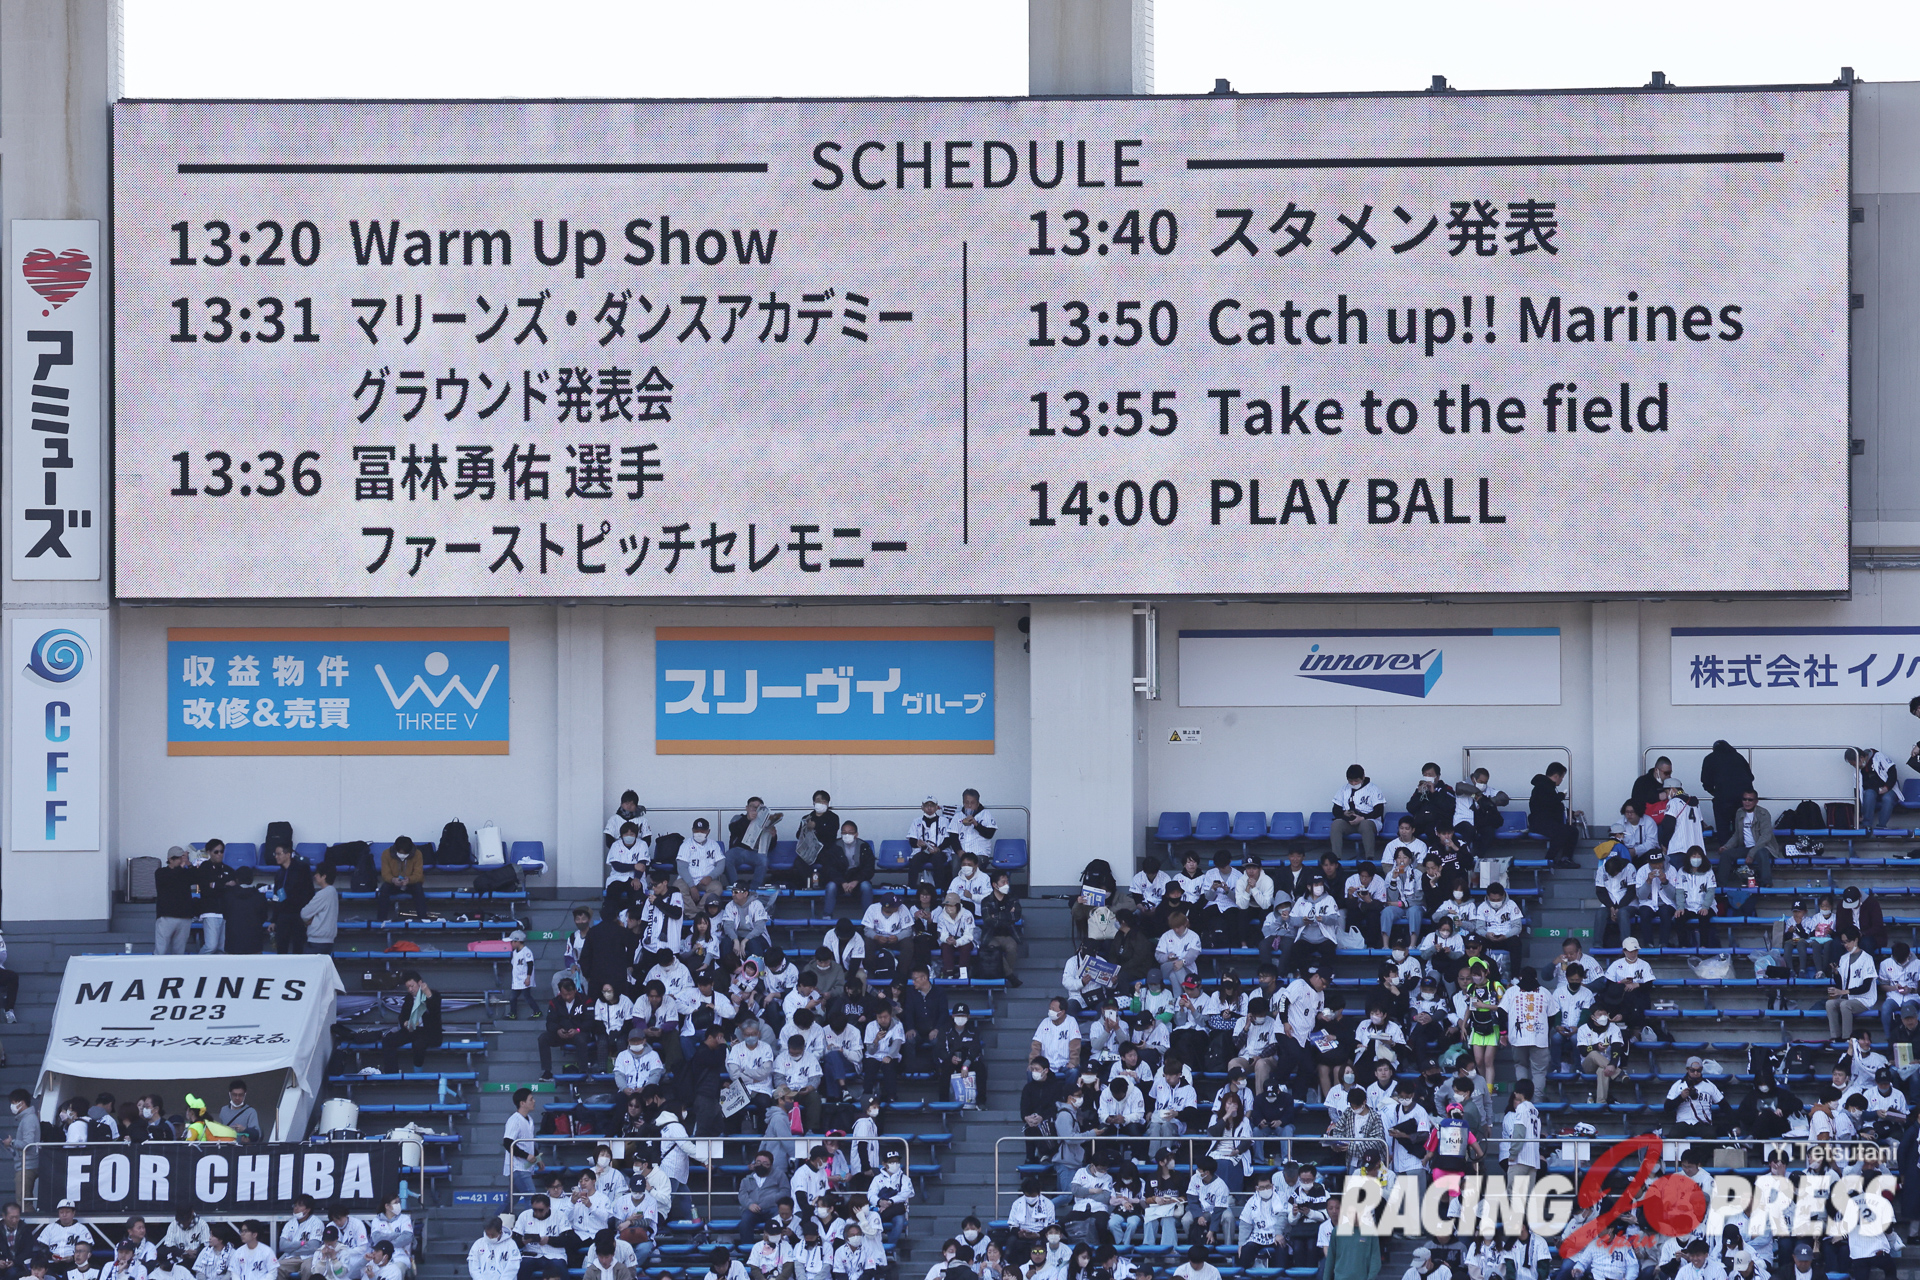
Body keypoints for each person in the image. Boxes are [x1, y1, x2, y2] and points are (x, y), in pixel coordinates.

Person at [382, 972, 441, 1074]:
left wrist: (428, 993)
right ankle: (391, 1073)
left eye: (412, 986)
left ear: (420, 983)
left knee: (418, 1045)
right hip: (412, 1030)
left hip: (428, 1032)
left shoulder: (434, 995)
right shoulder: (409, 998)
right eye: (408, 987)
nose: (410, 989)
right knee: (388, 1041)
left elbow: (435, 1010)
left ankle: (417, 1074)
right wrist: (405, 1023)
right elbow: (402, 1016)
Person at [1718, 790, 1778, 887]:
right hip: (1746, 848)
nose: (1747, 802)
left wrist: (1751, 854)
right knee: (1726, 854)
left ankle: (1766, 884)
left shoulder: (1763, 813)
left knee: (1761, 853)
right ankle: (1721, 887)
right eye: (1744, 799)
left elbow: (1765, 837)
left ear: (1756, 801)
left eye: (1750, 800)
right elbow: (1737, 834)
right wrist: (1726, 846)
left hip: (1764, 847)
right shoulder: (1739, 812)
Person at [1830, 928, 1880, 1043]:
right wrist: (1836, 973)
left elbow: (1866, 987)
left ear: (1856, 940)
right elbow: (1840, 984)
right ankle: (1835, 1036)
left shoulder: (1867, 959)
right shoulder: (1844, 958)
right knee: (1830, 1004)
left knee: (1845, 1005)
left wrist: (1843, 992)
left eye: (1848, 941)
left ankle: (1846, 1037)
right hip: (1848, 997)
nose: (1846, 945)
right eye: (1843, 942)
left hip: (1864, 999)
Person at [1527, 764, 1581, 869]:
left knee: (1572, 831)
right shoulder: (1542, 788)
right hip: (1540, 822)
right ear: (1556, 776)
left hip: (1547, 822)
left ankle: (1565, 858)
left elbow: (1556, 806)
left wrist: (1572, 813)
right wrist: (1560, 796)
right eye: (1561, 777)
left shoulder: (1548, 787)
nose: (1561, 780)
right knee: (1563, 832)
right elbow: (1549, 803)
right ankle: (1549, 859)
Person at [1701, 741, 1757, 838]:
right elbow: (1750, 777)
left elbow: (1706, 781)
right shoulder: (1738, 757)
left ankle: (1725, 846)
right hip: (1741, 798)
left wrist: (1715, 792)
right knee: (1740, 827)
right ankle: (1740, 845)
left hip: (1722, 798)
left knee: (1723, 828)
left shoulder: (1710, 758)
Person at [1330, 765, 1386, 863]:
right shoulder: (1344, 789)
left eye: (1356, 781)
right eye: (1350, 781)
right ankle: (1336, 859)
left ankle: (1369, 858)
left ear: (1363, 777)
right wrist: (1344, 814)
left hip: (1369, 820)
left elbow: (1379, 811)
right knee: (1336, 824)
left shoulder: (1373, 789)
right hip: (1349, 821)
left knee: (1365, 824)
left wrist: (1362, 818)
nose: (1353, 783)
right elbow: (1335, 809)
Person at [154, 847, 200, 955]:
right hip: (167, 916)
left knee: (179, 952)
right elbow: (171, 878)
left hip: (184, 917)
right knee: (161, 950)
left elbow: (198, 877)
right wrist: (182, 866)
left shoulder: (185, 873)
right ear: (170, 859)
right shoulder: (161, 872)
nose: (181, 860)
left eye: (182, 858)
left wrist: (189, 864)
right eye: (179, 858)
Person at [1665, 1057, 1724, 1140]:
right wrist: (1680, 1098)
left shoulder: (1709, 1085)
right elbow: (1667, 1108)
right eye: (1692, 1070)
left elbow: (1724, 1105)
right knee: (1673, 1135)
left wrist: (1735, 1125)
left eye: (1698, 1070)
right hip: (1683, 1123)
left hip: (1702, 1123)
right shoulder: (1678, 1085)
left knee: (1711, 1134)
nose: (1695, 1073)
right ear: (1687, 1069)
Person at [271, 844, 314, 954]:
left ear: (288, 854)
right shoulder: (279, 874)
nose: (276, 856)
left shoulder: (302, 869)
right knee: (281, 947)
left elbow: (309, 892)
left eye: (279, 854)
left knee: (298, 947)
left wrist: (308, 914)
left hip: (298, 914)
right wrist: (274, 920)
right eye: (275, 854)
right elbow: (276, 896)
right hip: (283, 914)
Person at [1846, 748, 1900, 831]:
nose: (1855, 766)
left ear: (1861, 758)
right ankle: (1866, 826)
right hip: (1872, 790)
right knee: (1869, 794)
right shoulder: (1857, 771)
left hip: (1888, 788)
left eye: (1854, 764)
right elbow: (1857, 792)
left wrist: (1886, 787)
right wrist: (1859, 814)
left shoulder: (1878, 757)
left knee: (1888, 799)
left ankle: (1881, 826)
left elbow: (1893, 772)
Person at [374, 838, 426, 919]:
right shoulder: (386, 854)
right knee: (384, 889)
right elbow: (385, 873)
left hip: (411, 883)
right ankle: (381, 919)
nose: (403, 855)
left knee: (418, 889)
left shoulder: (417, 854)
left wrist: (409, 879)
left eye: (405, 853)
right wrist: (393, 879)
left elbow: (418, 874)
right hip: (393, 883)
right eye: (400, 853)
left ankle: (423, 919)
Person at [300, 868, 340, 957]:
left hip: (317, 941)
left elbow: (304, 913)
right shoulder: (333, 892)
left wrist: (309, 919)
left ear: (324, 876)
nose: (315, 876)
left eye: (317, 874)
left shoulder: (324, 893)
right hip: (327, 940)